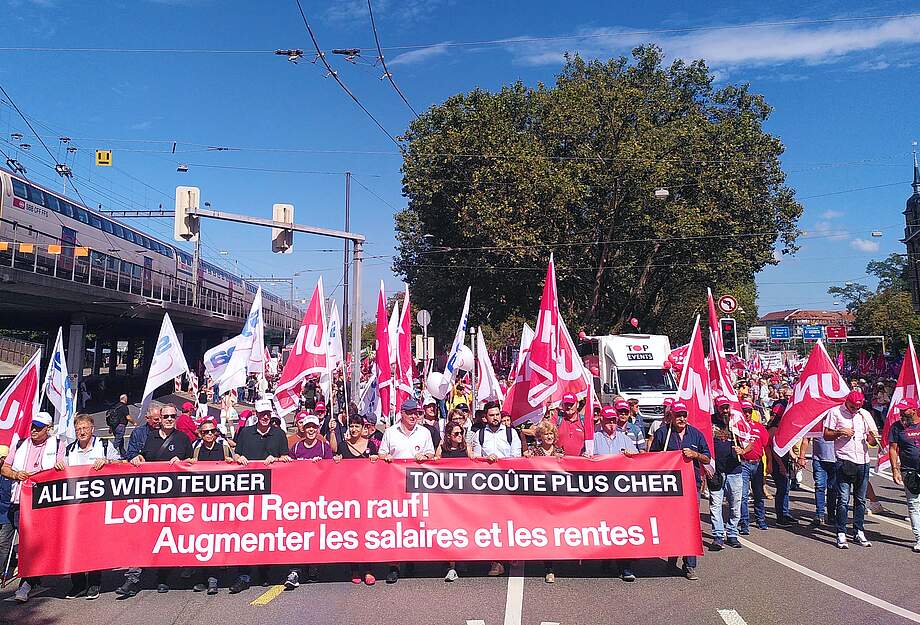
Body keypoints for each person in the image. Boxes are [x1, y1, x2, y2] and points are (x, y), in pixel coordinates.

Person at [117, 403, 192, 597]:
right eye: (165, 416)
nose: (168, 419)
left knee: (166, 538)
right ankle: (132, 579)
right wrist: (136, 459)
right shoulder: (149, 438)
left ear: (175, 418)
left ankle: (163, 578)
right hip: (150, 500)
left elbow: (193, 465)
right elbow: (140, 458)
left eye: (171, 416)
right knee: (143, 538)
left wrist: (183, 463)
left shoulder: (183, 439)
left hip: (174, 500)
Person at [54, 413, 122, 599]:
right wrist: (59, 466)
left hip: (97, 505)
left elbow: (121, 464)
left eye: (85, 428)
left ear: (92, 429)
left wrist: (108, 462)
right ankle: (77, 584)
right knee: (74, 545)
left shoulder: (104, 446)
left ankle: (94, 583)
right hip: (74, 507)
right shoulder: (69, 450)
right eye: (78, 429)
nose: (82, 432)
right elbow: (59, 472)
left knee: (93, 545)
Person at [229, 399, 293, 593]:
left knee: (267, 533)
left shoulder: (280, 434)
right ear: (256, 414)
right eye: (262, 413)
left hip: (272, 495)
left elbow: (286, 459)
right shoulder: (246, 433)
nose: (265, 417)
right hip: (248, 493)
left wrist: (280, 460)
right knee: (246, 534)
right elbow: (236, 456)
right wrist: (238, 458)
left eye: (268, 414)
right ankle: (244, 574)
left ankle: (265, 572)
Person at [649, 401, 711, 580]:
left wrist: (695, 455)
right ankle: (671, 561)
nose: (681, 418)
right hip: (670, 487)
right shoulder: (663, 433)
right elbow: (652, 458)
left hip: (692, 485)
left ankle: (690, 565)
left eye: (684, 414)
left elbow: (707, 458)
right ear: (671, 416)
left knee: (691, 524)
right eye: (678, 415)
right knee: (673, 524)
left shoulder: (696, 434)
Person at [375, 397, 435, 584]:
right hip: (395, 486)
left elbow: (432, 454)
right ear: (401, 413)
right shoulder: (391, 432)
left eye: (416, 413)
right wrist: (386, 458)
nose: (413, 416)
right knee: (396, 524)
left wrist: (425, 456)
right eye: (409, 413)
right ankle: (394, 565)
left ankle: (411, 558)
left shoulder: (424, 432)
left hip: (417, 486)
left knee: (416, 522)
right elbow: (382, 453)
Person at [1, 411, 59, 602]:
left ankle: (26, 584)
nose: (33, 430)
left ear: (48, 430)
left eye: (39, 427)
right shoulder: (20, 444)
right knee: (4, 541)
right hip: (17, 501)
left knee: (29, 546)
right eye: (32, 426)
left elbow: (62, 469)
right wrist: (16, 475)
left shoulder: (57, 445)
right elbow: (5, 468)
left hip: (39, 504)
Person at [587, 406, 639, 582]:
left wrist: (633, 456)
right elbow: (582, 464)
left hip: (620, 496)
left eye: (614, 421)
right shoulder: (593, 440)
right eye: (608, 420)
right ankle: (607, 557)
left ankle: (625, 567)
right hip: (599, 495)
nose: (611, 424)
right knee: (604, 528)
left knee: (622, 529)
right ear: (601, 421)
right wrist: (586, 457)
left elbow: (640, 463)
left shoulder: (625, 440)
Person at [471, 401, 522, 577]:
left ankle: (512, 553)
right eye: (492, 415)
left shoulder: (511, 433)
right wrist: (487, 460)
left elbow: (517, 458)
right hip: (488, 487)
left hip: (507, 485)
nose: (495, 418)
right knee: (492, 524)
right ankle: (496, 561)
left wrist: (501, 462)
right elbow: (476, 459)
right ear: (485, 418)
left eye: (497, 414)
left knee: (509, 521)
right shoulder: (479, 435)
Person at [824, 389, 878, 549]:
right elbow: (826, 435)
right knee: (843, 499)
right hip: (844, 460)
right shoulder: (835, 412)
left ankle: (858, 531)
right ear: (847, 402)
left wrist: (872, 439)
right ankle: (840, 532)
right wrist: (840, 432)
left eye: (858, 407)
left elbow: (873, 439)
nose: (855, 410)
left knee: (860, 500)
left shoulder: (865, 414)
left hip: (863, 461)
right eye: (853, 407)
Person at [333, 414, 377, 585]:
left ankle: (368, 568)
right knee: (352, 534)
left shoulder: (371, 446)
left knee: (367, 533)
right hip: (349, 497)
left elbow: (380, 467)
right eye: (351, 426)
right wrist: (337, 461)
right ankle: (355, 569)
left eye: (357, 426)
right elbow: (335, 464)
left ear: (363, 428)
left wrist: (376, 459)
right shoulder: (343, 446)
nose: (353, 429)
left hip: (367, 497)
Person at [434, 421, 472, 583]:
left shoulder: (466, 448)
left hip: (463, 496)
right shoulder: (442, 448)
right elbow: (433, 462)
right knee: (449, 529)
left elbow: (475, 462)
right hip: (446, 497)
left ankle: (461, 558)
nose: (459, 436)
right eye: (456, 433)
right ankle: (451, 566)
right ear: (448, 436)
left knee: (463, 529)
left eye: (461, 432)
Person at [888, 398, 920, 551]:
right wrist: (895, 469)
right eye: (900, 410)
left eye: (905, 410)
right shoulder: (897, 427)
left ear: (914, 409)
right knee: (914, 505)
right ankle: (919, 538)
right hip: (909, 471)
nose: (902, 413)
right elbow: (893, 449)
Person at [709, 413, 744, 551]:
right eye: (721, 407)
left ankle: (732, 533)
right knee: (715, 505)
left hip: (734, 471)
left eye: (726, 408)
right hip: (716, 471)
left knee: (735, 505)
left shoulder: (737, 423)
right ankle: (718, 536)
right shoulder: (709, 421)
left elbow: (750, 443)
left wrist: (743, 450)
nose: (724, 411)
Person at [736, 399, 770, 534]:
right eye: (744, 412)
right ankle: (744, 523)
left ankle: (760, 519)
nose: (747, 414)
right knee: (743, 496)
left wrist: (770, 463)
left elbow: (767, 447)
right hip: (743, 464)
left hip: (757, 463)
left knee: (758, 494)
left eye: (749, 411)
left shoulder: (759, 427)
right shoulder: (736, 428)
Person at [809, 412, 839, 528]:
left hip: (835, 460)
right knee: (820, 486)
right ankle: (819, 514)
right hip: (819, 459)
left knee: (832, 488)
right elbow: (807, 439)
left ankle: (831, 515)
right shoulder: (816, 422)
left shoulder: (837, 422)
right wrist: (801, 456)